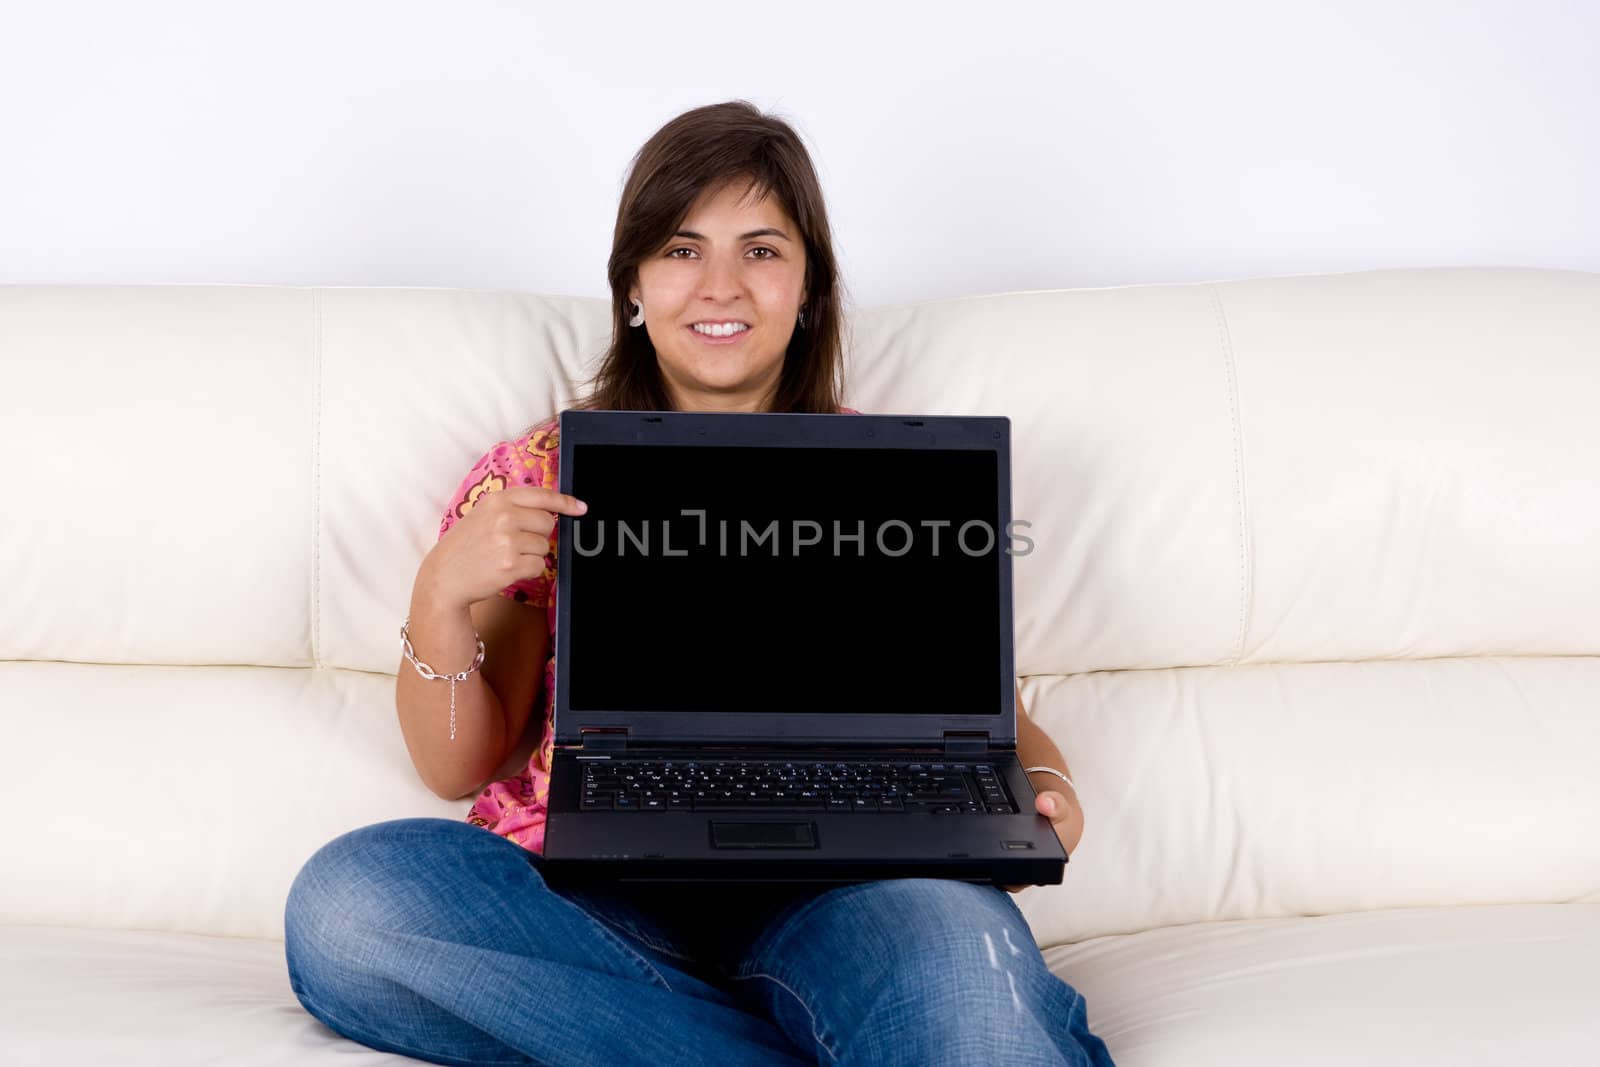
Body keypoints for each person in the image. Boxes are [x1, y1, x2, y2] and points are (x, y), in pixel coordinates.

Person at [284, 100, 1115, 1067]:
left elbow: (987, 720)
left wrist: (1045, 786)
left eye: (762, 250)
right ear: (634, 283)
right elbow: (460, 767)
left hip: (854, 888)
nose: (720, 284)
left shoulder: (898, 475)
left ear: (808, 288)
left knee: (955, 968)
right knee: (350, 904)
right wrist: (441, 596)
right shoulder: (540, 472)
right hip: (593, 903)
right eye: (682, 249)